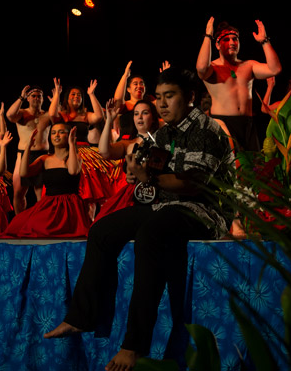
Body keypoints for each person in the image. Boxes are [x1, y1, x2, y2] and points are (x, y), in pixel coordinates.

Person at [44, 68, 235, 371]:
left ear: (190, 98)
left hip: (203, 211)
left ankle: (134, 345)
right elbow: (145, 170)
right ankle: (79, 317)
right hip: (166, 204)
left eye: (169, 96)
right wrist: (137, 172)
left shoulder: (207, 130)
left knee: (150, 234)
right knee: (102, 230)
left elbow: (191, 184)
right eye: (158, 97)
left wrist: (149, 177)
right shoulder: (162, 134)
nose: (161, 103)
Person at [196, 17, 282, 152]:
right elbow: (201, 68)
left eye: (235, 39)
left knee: (253, 168)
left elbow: (275, 69)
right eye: (226, 39)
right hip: (223, 123)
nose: (232, 42)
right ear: (217, 45)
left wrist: (264, 42)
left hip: (247, 124)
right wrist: (208, 36)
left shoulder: (249, 65)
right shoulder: (212, 68)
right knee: (232, 168)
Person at [0, 123, 91, 238]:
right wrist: (28, 147)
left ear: (69, 136)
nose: (56, 135)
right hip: (49, 204)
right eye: (53, 132)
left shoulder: (76, 157)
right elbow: (24, 172)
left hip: (69, 206)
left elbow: (73, 171)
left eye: (61, 132)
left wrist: (71, 144)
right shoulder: (45, 159)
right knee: (19, 223)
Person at [49, 78, 118, 211]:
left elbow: (99, 116)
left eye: (79, 95)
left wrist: (91, 94)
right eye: (73, 94)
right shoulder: (62, 115)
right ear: (67, 98)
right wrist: (57, 93)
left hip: (85, 154)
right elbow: (52, 115)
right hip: (66, 154)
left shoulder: (85, 115)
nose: (76, 97)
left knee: (89, 193)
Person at [95, 98, 160, 222]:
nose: (139, 117)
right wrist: (109, 120)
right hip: (131, 196)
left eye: (145, 113)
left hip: (157, 194)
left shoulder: (163, 141)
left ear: (153, 117)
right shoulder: (128, 144)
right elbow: (104, 152)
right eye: (136, 114)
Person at [6, 85, 52, 214]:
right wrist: (21, 97)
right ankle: (19, 223)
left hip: (42, 155)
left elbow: (58, 115)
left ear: (43, 99)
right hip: (23, 155)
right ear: (28, 98)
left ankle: (41, 223)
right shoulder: (21, 113)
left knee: (42, 194)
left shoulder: (47, 115)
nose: (36, 98)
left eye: (39, 96)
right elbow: (9, 115)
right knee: (19, 192)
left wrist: (56, 100)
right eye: (33, 96)